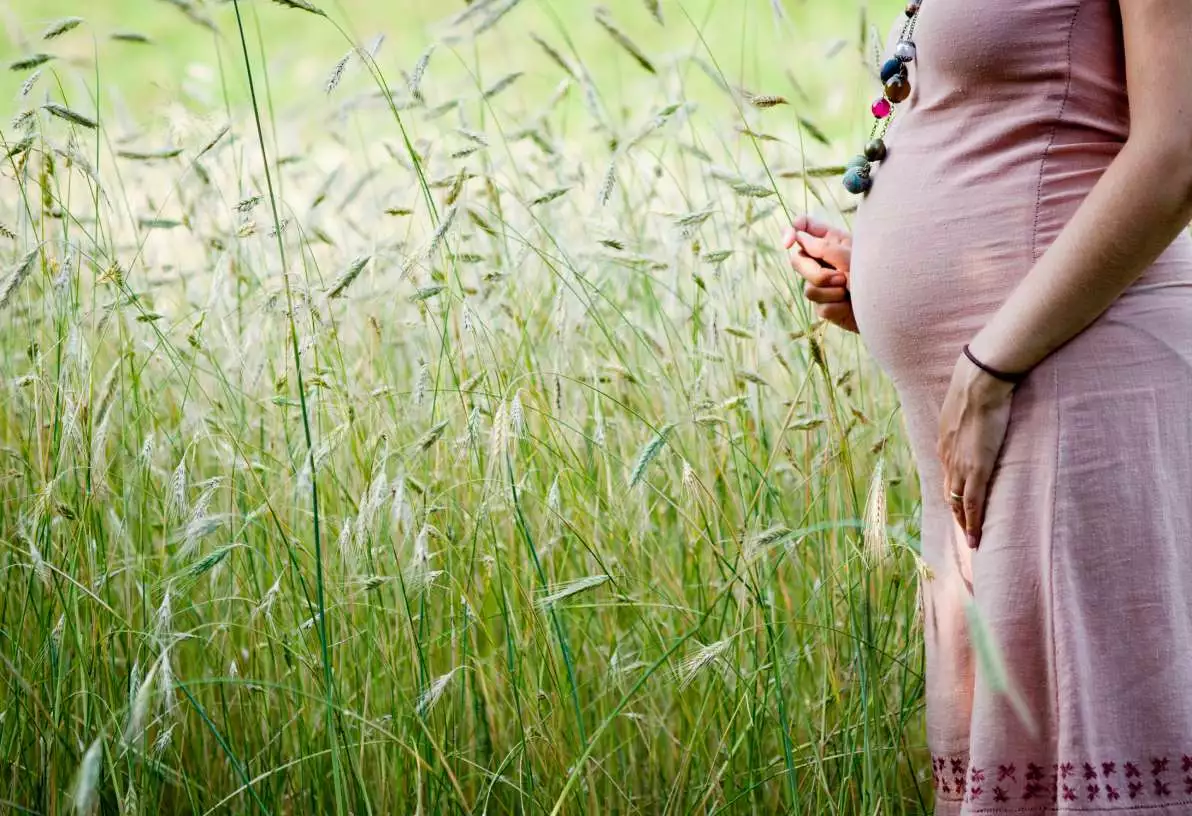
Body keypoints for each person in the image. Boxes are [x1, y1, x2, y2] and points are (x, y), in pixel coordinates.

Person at [785, 1, 1192, 813]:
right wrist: (878, 278)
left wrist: (990, 361)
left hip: (1071, 380)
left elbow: (1177, 152)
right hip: (996, 391)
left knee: (1098, 745)